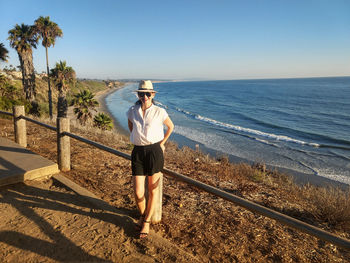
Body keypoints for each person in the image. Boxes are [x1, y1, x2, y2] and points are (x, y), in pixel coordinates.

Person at [127, 80, 174, 238]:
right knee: (138, 190)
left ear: (152, 94)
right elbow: (130, 124)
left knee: (153, 189)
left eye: (148, 94)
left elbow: (171, 127)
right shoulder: (132, 110)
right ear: (138, 95)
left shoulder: (159, 111)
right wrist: (137, 137)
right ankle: (142, 215)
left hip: (154, 151)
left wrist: (162, 143)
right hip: (138, 152)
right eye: (141, 93)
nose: (145, 96)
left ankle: (146, 222)